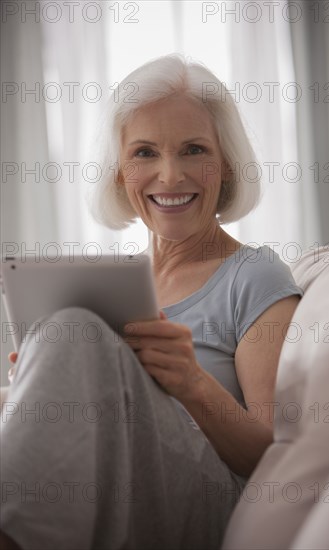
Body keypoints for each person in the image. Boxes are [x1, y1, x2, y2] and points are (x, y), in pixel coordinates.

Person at [0, 54, 303, 550]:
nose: (169, 175)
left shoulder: (255, 276)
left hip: (204, 502)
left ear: (225, 164)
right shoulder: (116, 285)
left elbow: (276, 459)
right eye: (144, 153)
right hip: (106, 482)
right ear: (120, 172)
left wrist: (191, 382)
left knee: (70, 328)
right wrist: (51, 376)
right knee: (66, 333)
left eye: (193, 150)